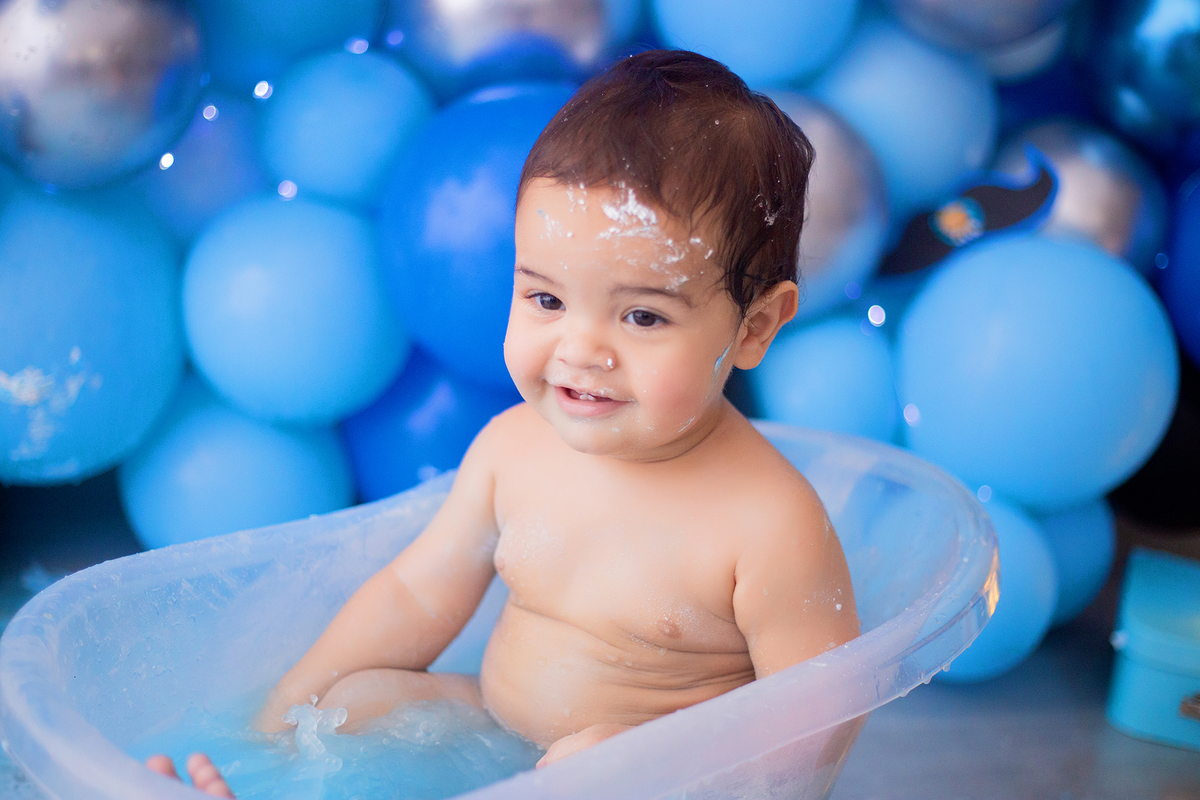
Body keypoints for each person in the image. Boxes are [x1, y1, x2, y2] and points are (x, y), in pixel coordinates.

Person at [149, 48, 858, 795]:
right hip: (498, 735)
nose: (580, 350)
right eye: (547, 301)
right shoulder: (515, 450)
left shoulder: (768, 524)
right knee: (354, 706)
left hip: (658, 779)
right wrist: (278, 721)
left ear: (754, 327)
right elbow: (416, 596)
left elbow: (815, 730)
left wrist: (647, 765)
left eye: (643, 315)